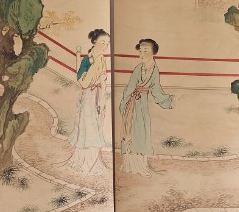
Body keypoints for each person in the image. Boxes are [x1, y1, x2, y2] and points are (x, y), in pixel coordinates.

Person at [117, 37, 173, 175]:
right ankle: (131, 165)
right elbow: (129, 87)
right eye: (140, 51)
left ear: (153, 52)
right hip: (132, 103)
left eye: (145, 50)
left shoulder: (154, 69)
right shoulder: (138, 68)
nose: (141, 54)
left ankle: (141, 166)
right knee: (131, 132)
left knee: (142, 131)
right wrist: (124, 104)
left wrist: (168, 101)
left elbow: (156, 89)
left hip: (142, 104)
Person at [64, 29, 110, 174]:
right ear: (95, 42)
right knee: (87, 127)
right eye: (103, 42)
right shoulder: (88, 59)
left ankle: (94, 163)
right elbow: (83, 83)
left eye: (107, 43)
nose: (105, 45)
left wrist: (102, 103)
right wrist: (95, 65)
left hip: (97, 95)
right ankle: (84, 163)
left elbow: (103, 81)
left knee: (96, 126)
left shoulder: (101, 58)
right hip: (88, 96)